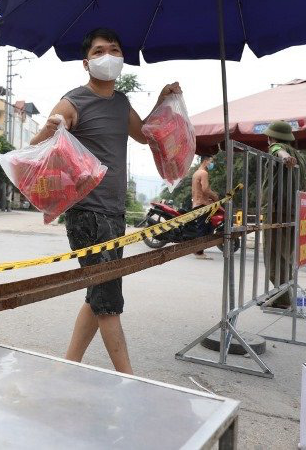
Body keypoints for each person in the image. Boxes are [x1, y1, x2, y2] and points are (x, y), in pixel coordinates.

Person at [29, 27, 182, 374]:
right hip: (87, 213)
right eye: (99, 51)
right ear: (86, 62)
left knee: (98, 294)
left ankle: (68, 367)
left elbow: (143, 136)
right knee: (108, 301)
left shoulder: (121, 103)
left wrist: (163, 99)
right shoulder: (73, 101)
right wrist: (53, 126)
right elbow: (41, 142)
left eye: (114, 49)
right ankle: (129, 378)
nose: (107, 56)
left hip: (113, 211)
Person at [262, 121, 306, 308]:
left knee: (273, 255)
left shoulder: (277, 148)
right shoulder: (301, 157)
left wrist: (284, 156)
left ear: (271, 137)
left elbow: (277, 151)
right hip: (292, 210)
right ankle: (284, 294)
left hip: (276, 209)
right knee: (285, 255)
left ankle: (282, 298)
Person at [191, 155, 219, 259]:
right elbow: (205, 189)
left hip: (197, 203)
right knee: (203, 228)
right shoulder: (204, 173)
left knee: (204, 227)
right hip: (202, 204)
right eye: (210, 161)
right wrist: (215, 196)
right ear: (205, 161)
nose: (212, 164)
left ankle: (198, 250)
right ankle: (199, 252)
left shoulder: (196, 173)